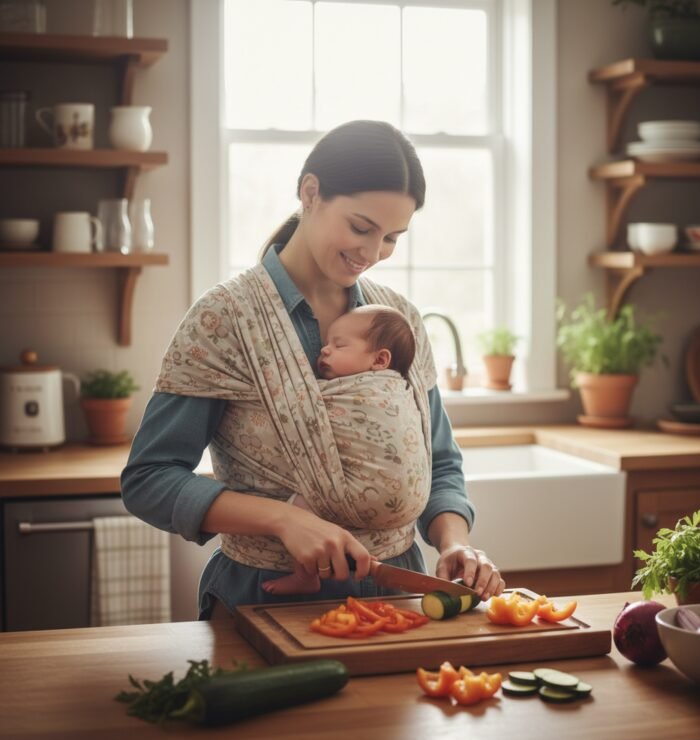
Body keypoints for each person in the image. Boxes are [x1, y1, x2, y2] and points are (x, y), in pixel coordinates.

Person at [121, 119, 505, 620]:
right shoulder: (225, 320)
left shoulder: (398, 322)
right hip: (265, 600)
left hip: (400, 600)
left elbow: (439, 462)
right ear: (310, 192)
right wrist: (282, 520)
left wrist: (454, 541)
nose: (372, 254)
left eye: (391, 237)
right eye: (361, 227)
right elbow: (149, 479)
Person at [262, 303, 419, 595]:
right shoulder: (403, 388)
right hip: (403, 506)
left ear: (380, 360)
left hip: (366, 494)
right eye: (325, 344)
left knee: (301, 506)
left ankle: (305, 575)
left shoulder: (350, 391)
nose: (324, 350)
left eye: (339, 345)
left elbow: (298, 402)